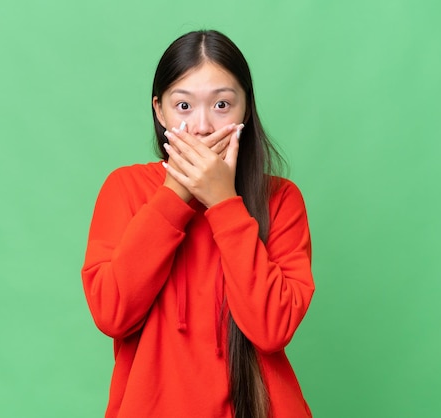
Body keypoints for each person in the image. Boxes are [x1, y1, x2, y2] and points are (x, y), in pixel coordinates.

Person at [81, 29, 315, 418]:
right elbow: (112, 313)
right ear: (160, 111)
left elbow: (272, 328)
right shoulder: (125, 188)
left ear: (246, 110)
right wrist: (175, 195)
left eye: (222, 104)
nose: (203, 126)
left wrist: (224, 203)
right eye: (184, 106)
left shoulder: (281, 199)